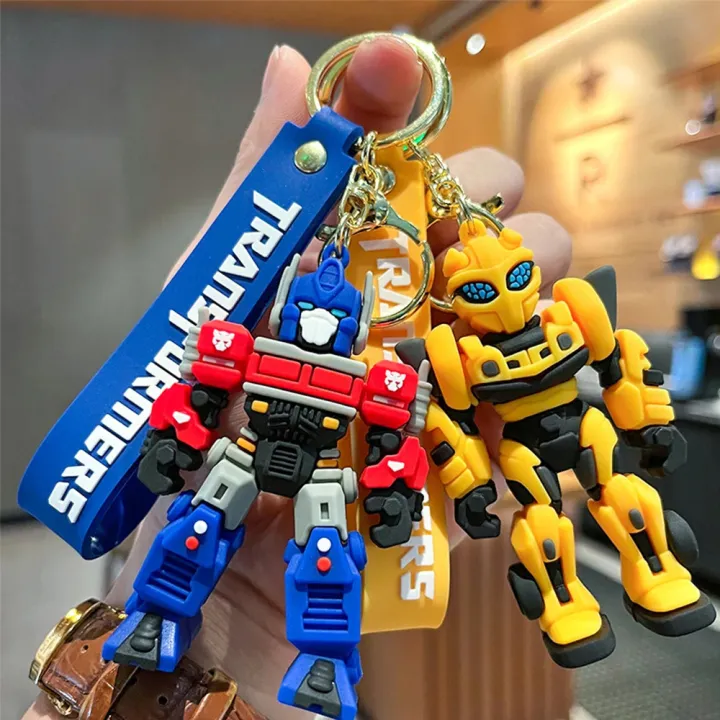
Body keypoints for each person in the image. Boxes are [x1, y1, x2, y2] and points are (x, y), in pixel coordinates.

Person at [24, 36, 571, 720]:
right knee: (194, 529)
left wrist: (394, 493)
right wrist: (173, 440)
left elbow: (391, 442)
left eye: (335, 314)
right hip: (245, 451)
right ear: (286, 303)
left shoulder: (374, 374)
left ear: (357, 322)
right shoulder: (250, 347)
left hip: (323, 474)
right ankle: (157, 617)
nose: (319, 318)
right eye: (309, 308)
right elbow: (198, 395)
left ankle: (323, 662)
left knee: (326, 559)